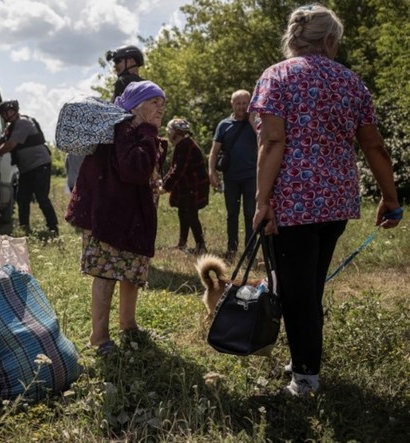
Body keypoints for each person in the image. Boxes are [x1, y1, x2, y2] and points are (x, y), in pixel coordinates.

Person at [248, 4, 402, 396]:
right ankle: (302, 356)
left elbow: (272, 141)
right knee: (307, 286)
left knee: (298, 289)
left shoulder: (277, 76)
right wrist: (389, 197)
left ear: (294, 38)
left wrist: (262, 200)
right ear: (330, 40)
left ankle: (306, 379)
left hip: (293, 202)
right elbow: (374, 146)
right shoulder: (352, 82)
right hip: (336, 202)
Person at [65, 80, 167, 355]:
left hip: (130, 215)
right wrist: (148, 132)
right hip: (108, 215)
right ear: (136, 106)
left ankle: (128, 324)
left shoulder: (136, 129)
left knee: (131, 271)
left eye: (162, 103)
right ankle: (99, 337)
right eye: (153, 102)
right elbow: (133, 169)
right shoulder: (124, 128)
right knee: (106, 273)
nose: (160, 108)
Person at [0, 100, 59, 234]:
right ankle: (24, 227)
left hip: (39, 165)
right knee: (22, 199)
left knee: (42, 198)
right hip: (26, 168)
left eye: (4, 113)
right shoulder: (10, 128)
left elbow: (9, 145)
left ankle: (53, 228)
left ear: (11, 111)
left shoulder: (23, 123)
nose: (3, 116)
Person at [208, 90, 258, 258]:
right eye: (238, 103)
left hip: (251, 177)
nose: (242, 107)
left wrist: (252, 121)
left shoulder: (255, 123)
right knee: (232, 214)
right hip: (231, 177)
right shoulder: (224, 125)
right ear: (232, 104)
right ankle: (232, 249)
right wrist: (211, 172)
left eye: (245, 103)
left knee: (251, 213)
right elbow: (214, 152)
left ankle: (250, 252)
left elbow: (264, 140)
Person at [160, 118, 210, 253]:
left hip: (194, 188)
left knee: (191, 215)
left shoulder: (185, 145)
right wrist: (163, 182)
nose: (168, 134)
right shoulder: (182, 144)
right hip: (188, 187)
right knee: (183, 213)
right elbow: (173, 168)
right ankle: (182, 244)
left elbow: (178, 170)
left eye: (169, 131)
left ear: (176, 132)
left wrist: (165, 188)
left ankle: (201, 246)